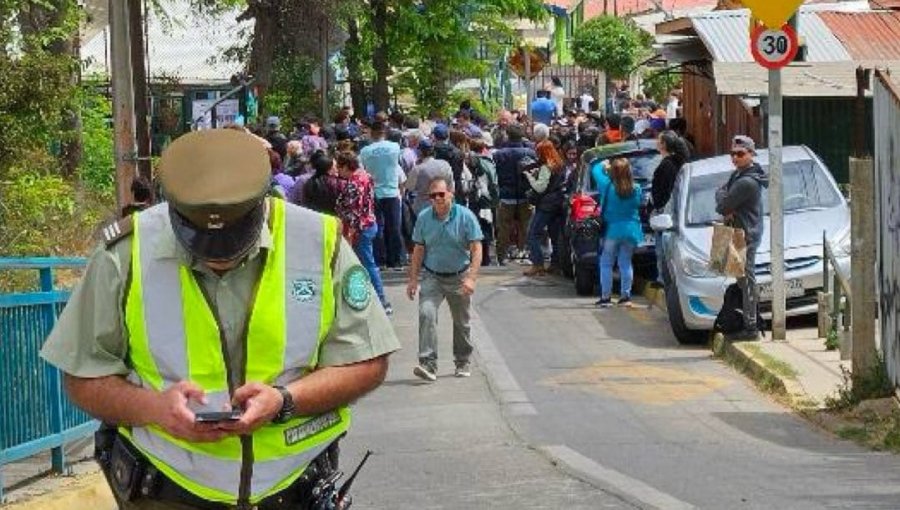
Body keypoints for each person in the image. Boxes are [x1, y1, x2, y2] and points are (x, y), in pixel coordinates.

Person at [39, 129, 400, 510]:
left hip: (295, 486)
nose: (218, 256)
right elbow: (83, 374)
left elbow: (367, 360)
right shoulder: (124, 253)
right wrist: (154, 409)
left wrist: (285, 401)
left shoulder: (317, 241)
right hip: (168, 490)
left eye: (233, 237)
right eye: (199, 239)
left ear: (264, 200)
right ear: (173, 210)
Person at [406, 175, 483, 382]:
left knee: (462, 322)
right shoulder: (424, 217)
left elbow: (477, 248)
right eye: (433, 196)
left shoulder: (465, 216)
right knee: (426, 313)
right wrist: (413, 279)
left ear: (451, 194)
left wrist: (471, 278)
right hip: (432, 276)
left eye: (441, 194)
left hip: (459, 276)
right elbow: (418, 249)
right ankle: (428, 364)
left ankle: (462, 360)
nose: (437, 199)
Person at [715, 135, 768, 340]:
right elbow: (721, 193)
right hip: (738, 232)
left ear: (751, 154)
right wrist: (725, 200)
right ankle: (748, 321)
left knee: (746, 279)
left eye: (740, 154)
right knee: (741, 277)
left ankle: (751, 326)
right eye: (732, 154)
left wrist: (727, 204)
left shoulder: (747, 181)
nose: (735, 158)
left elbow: (722, 204)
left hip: (745, 234)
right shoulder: (738, 175)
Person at [335, 150, 392, 316]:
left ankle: (381, 300)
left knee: (366, 264)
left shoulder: (354, 183)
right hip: (369, 223)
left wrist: (350, 233)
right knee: (367, 263)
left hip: (359, 229)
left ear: (346, 166)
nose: (338, 170)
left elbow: (354, 211)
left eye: (339, 167)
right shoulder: (365, 175)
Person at [596, 157, 643, 308]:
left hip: (612, 230)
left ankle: (606, 297)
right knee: (625, 262)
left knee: (606, 262)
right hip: (631, 230)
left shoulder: (607, 186)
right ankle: (625, 296)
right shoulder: (636, 188)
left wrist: (604, 165)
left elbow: (595, 170)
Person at [359, 121, 405, 270]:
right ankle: (396, 260)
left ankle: (380, 260)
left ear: (371, 133)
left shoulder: (365, 151)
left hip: (374, 191)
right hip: (391, 191)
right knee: (395, 227)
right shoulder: (395, 147)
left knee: (377, 226)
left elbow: (363, 171)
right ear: (384, 132)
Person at [492, 124, 537, 265]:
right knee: (526, 226)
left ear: (508, 136)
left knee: (504, 227)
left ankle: (502, 257)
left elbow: (496, 175)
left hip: (506, 195)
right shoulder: (530, 153)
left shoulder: (499, 154)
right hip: (525, 195)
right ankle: (523, 254)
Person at [650, 131, 690, 286]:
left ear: (664, 144)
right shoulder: (677, 162)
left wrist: (657, 206)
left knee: (662, 248)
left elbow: (663, 189)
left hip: (665, 210)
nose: (656, 142)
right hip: (673, 208)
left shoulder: (666, 165)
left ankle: (663, 278)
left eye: (658, 140)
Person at [522, 140, 567, 276]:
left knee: (532, 233)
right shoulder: (560, 165)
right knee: (555, 234)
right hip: (558, 203)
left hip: (546, 204)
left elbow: (540, 188)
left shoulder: (546, 167)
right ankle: (556, 264)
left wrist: (529, 177)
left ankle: (538, 263)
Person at [407, 138, 453, 215]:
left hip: (423, 207)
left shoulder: (418, 168)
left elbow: (409, 187)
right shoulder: (445, 164)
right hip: (443, 204)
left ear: (421, 152)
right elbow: (451, 187)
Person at [302, 150, 343, 215]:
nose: (336, 169)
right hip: (332, 218)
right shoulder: (338, 183)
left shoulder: (309, 182)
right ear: (329, 169)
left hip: (315, 217)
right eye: (334, 167)